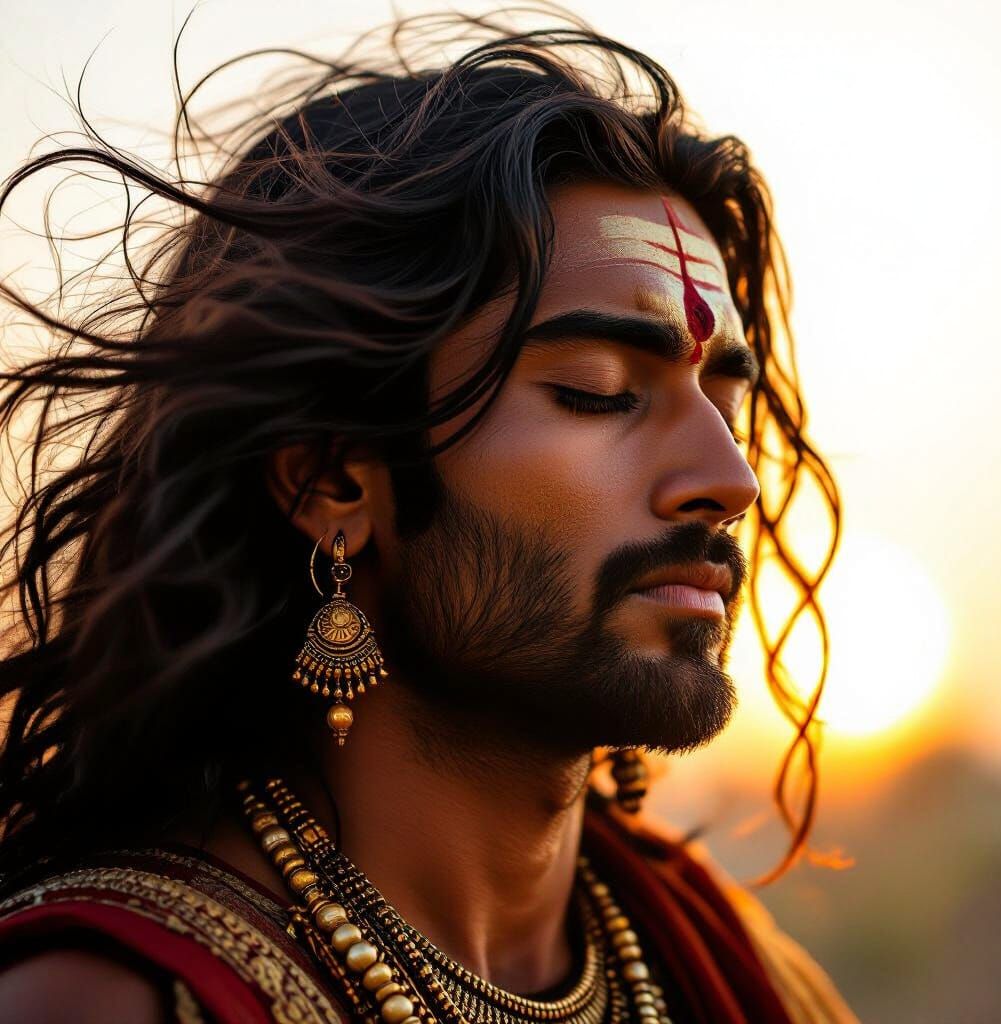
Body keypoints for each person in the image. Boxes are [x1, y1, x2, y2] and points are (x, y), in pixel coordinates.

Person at [0, 9, 856, 1022]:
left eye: (728, 400)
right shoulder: (103, 998)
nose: (728, 477)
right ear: (333, 482)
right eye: (596, 388)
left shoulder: (735, 968)